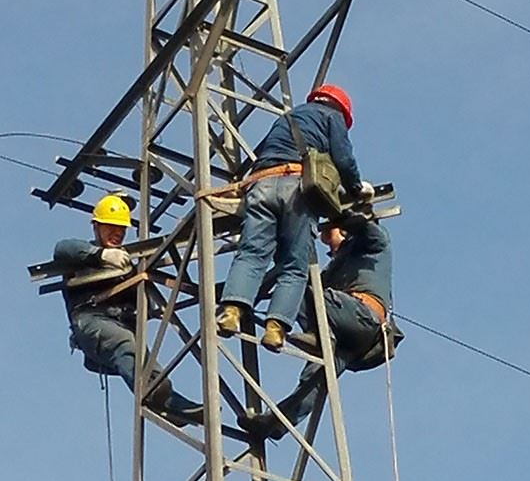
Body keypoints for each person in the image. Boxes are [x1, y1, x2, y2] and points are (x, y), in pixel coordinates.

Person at [216, 84, 374, 352]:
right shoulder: (332, 117)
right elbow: (343, 158)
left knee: (251, 253)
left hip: (261, 184)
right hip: (296, 188)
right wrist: (356, 187)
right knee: (293, 265)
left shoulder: (287, 117)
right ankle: (275, 328)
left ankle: (231, 310)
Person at [237, 212, 392, 441]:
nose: (329, 246)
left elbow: (369, 231)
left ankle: (318, 336)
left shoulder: (372, 246)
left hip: (360, 316)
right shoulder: (335, 267)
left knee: (294, 282)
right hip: (350, 337)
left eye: (332, 239)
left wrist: (343, 216)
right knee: (316, 380)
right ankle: (276, 423)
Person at [53, 194, 203, 426]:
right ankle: (153, 393)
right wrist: (100, 255)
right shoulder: (83, 254)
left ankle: (171, 405)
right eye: (111, 227)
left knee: (145, 360)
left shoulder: (127, 262)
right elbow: (62, 248)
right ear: (96, 226)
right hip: (92, 320)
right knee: (124, 343)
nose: (117, 233)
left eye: (121, 229)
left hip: (122, 324)